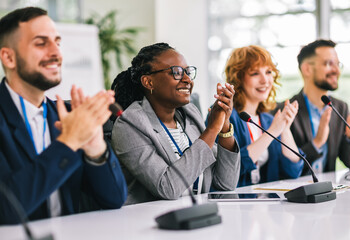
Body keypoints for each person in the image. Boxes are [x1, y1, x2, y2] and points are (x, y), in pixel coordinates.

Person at [0, 7, 127, 224]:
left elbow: (114, 199)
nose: (56, 53)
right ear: (9, 58)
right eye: (41, 43)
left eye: (57, 42)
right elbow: (5, 209)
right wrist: (69, 141)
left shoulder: (67, 116)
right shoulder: (70, 129)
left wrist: (95, 148)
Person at [111, 43, 240, 205]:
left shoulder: (190, 114)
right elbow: (168, 188)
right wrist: (212, 129)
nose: (187, 80)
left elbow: (226, 184)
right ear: (148, 82)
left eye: (188, 72)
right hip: (149, 222)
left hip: (194, 215)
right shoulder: (129, 125)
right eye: (177, 72)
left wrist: (224, 126)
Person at [274, 39, 350, 175]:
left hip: (328, 193)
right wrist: (317, 143)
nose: (336, 70)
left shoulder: (340, 107)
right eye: (329, 63)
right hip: (295, 192)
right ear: (307, 69)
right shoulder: (285, 111)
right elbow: (283, 168)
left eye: (338, 64)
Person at [223, 45, 303, 187]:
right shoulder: (225, 117)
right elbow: (230, 169)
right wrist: (272, 132)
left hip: (265, 204)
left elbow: (293, 171)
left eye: (268, 72)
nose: (265, 80)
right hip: (235, 205)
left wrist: (285, 129)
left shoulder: (267, 120)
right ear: (239, 78)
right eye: (255, 73)